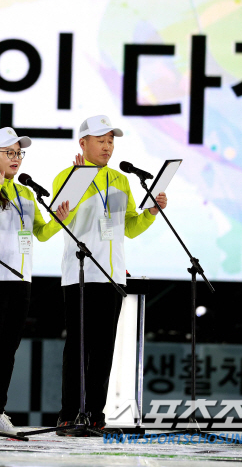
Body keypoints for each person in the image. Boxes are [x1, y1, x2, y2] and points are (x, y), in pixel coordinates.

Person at [52, 115, 167, 435]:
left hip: (113, 275)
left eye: (111, 141)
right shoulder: (67, 176)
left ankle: (95, 415)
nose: (107, 146)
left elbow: (128, 227)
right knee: (78, 347)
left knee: (104, 349)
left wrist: (151, 213)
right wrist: (81, 179)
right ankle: (68, 414)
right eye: (101, 141)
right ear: (83, 144)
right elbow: (61, 219)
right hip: (81, 273)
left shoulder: (120, 180)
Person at [0, 127, 70, 435]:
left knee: (8, 348)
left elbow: (39, 232)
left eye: (19, 153)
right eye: (9, 153)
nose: (16, 159)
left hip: (20, 279)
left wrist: (60, 220)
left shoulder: (25, 192)